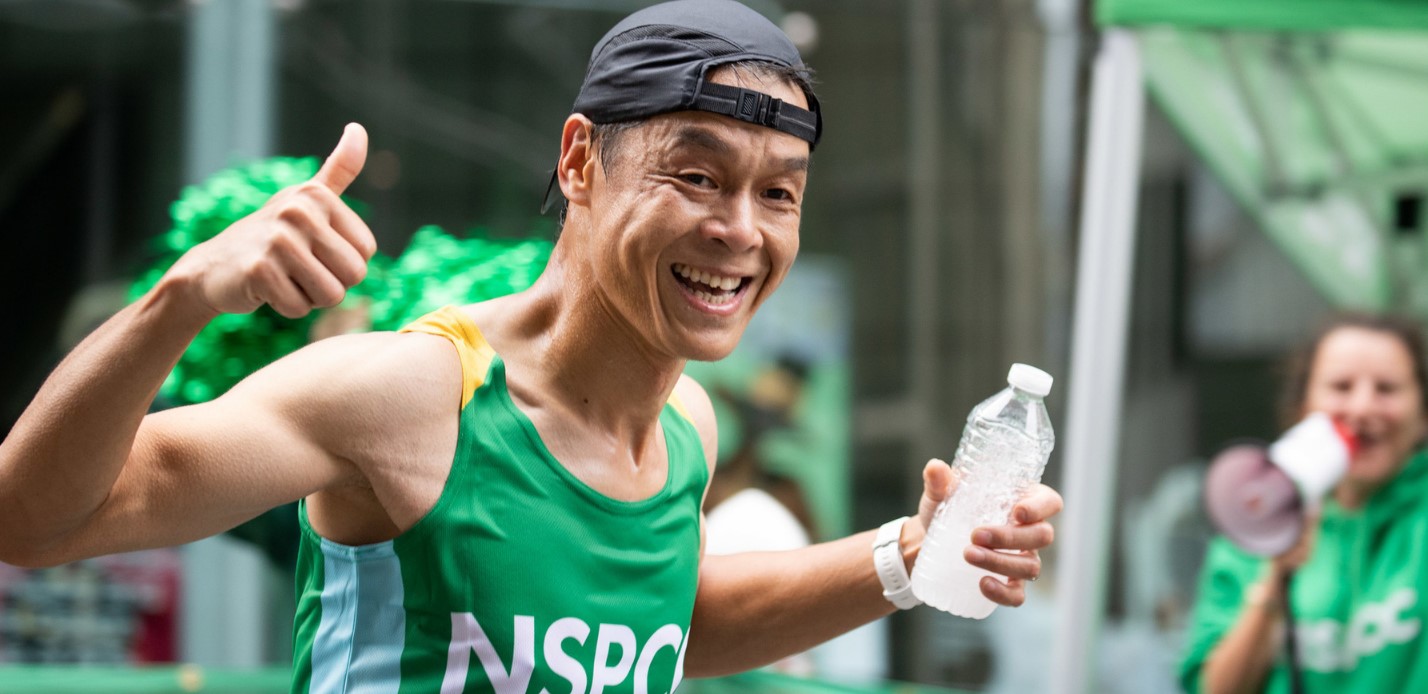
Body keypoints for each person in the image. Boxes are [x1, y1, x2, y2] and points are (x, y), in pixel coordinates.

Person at [0, 1, 1062, 691]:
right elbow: (34, 520)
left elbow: (663, 629)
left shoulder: (683, 426)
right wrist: (185, 297)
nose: (740, 230)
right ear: (578, 163)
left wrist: (904, 559)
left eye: (776, 193)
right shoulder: (413, 393)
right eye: (695, 174)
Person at [1181, 313, 1428, 694]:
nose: (1362, 409)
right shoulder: (1255, 525)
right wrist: (1274, 584)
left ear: (1423, 415)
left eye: (1387, 389)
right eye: (1341, 387)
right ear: (1303, 408)